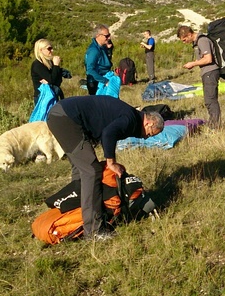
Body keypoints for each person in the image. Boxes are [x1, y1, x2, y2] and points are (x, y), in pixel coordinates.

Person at [47, 95, 164, 240]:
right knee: (91, 171)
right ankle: (93, 230)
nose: (146, 137)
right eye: (150, 134)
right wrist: (111, 162)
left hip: (61, 115)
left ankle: (76, 217)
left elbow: (104, 130)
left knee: (82, 168)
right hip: (66, 118)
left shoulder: (130, 115)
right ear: (149, 123)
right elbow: (108, 133)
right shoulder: (131, 120)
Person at [177, 25, 220, 129]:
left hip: (210, 72)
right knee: (208, 100)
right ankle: (213, 123)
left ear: (189, 34)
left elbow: (208, 59)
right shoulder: (198, 42)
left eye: (184, 39)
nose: (184, 42)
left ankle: (215, 126)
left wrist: (193, 64)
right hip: (207, 72)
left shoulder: (202, 41)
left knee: (211, 100)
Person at [85, 24, 112, 95]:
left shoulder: (102, 47)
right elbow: (90, 70)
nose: (109, 38)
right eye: (106, 36)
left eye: (109, 35)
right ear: (98, 36)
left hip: (102, 80)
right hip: (96, 83)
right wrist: (105, 81)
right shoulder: (93, 50)